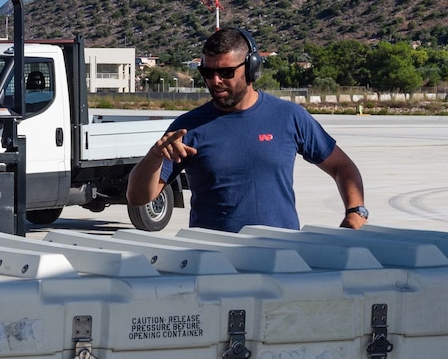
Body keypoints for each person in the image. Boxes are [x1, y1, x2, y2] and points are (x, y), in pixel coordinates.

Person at [126, 26, 368, 233]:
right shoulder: (188, 127)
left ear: (252, 68)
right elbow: (138, 198)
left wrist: (356, 212)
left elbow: (342, 166)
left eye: (226, 72)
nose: (215, 81)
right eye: (207, 73)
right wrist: (154, 157)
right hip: (214, 263)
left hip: (281, 259)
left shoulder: (289, 117)